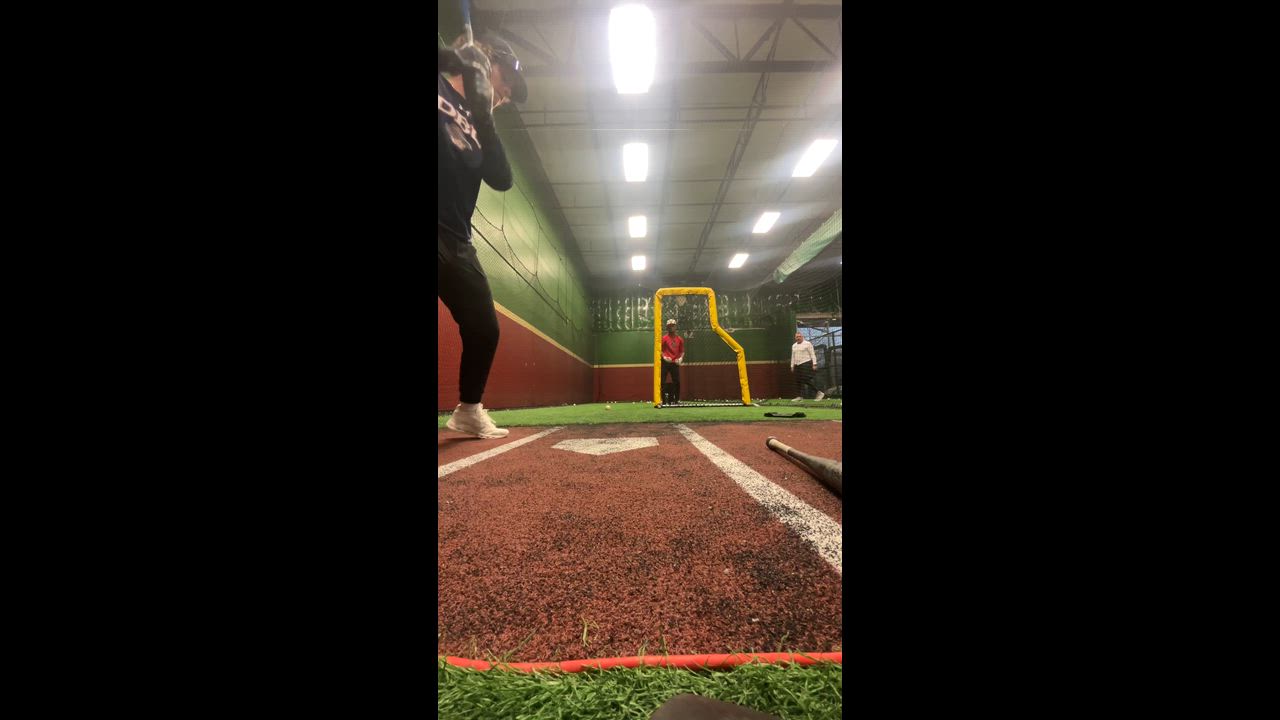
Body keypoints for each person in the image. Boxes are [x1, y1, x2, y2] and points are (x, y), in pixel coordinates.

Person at [438, 32, 529, 438]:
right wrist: (451, 58)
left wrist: (483, 111)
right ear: (484, 62)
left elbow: (502, 178)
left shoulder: (480, 122)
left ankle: (469, 411)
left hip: (456, 240)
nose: (505, 94)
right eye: (504, 80)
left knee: (484, 328)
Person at [790, 331, 825, 401]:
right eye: (797, 337)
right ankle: (799, 396)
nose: (798, 338)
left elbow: (812, 354)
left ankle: (819, 392)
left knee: (805, 379)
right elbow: (793, 356)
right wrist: (792, 365)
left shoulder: (807, 344)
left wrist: (814, 364)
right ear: (795, 338)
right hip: (797, 365)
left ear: (802, 337)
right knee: (798, 380)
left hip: (806, 363)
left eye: (799, 336)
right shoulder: (794, 346)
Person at [661, 319, 685, 405]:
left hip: (675, 363)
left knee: (677, 382)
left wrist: (680, 358)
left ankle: (677, 400)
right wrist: (664, 357)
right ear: (667, 327)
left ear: (675, 327)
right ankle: (662, 400)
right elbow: (660, 350)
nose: (671, 327)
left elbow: (682, 351)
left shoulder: (680, 339)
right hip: (665, 363)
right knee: (662, 381)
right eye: (669, 326)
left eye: (673, 326)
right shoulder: (664, 338)